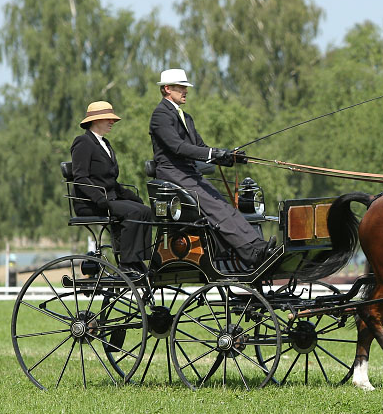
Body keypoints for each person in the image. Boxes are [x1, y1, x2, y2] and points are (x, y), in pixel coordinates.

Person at [149, 68, 273, 267]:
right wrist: (212, 154)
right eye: (180, 87)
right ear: (166, 89)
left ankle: (259, 246)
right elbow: (177, 147)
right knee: (216, 208)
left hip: (189, 174)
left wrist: (226, 157)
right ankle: (251, 254)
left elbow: (200, 148)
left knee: (225, 207)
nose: (185, 91)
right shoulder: (161, 115)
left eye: (185, 87)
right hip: (173, 174)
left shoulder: (186, 117)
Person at [71, 101, 153, 274]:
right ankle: (127, 263)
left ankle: (137, 260)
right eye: (108, 119)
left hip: (109, 198)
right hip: (90, 202)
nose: (112, 122)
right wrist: (100, 199)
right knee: (134, 213)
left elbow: (110, 181)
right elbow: (80, 177)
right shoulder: (83, 142)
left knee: (145, 210)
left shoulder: (105, 144)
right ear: (95, 120)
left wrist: (131, 196)